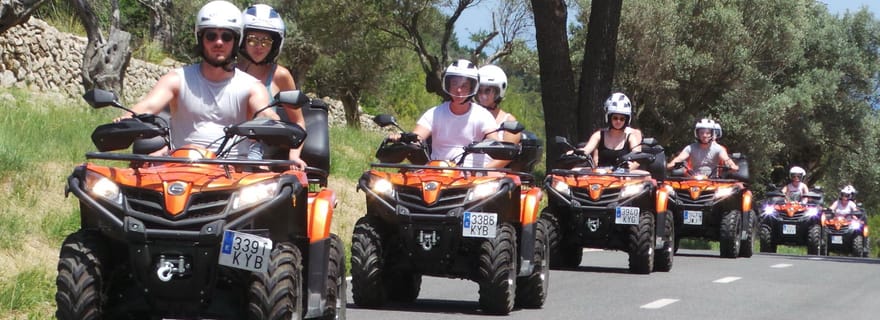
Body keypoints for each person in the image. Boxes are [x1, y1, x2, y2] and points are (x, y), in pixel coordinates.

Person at [117, 1, 289, 163]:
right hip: (180, 168)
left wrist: (274, 123)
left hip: (234, 173)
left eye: (227, 36)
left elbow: (263, 112)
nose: (219, 42)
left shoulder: (252, 87)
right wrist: (125, 119)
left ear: (236, 41)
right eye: (211, 36)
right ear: (201, 38)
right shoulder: (177, 79)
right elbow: (148, 106)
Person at [238, 4, 306, 169]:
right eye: (252, 39)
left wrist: (294, 155)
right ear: (242, 39)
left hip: (261, 152)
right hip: (227, 147)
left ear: (275, 44)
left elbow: (298, 122)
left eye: (266, 41)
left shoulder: (280, 76)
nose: (259, 46)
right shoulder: (230, 72)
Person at [395, 59, 499, 168]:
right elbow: (417, 137)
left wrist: (489, 144)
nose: (458, 90)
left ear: (472, 88)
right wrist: (402, 139)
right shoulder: (434, 113)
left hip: (473, 176)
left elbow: (494, 141)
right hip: (438, 175)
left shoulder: (483, 115)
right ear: (448, 85)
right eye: (454, 83)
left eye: (464, 85)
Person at [579, 92, 643, 169]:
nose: (618, 121)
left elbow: (637, 158)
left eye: (622, 119)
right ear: (609, 117)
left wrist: (630, 167)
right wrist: (574, 153)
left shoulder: (630, 137)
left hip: (624, 178)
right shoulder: (599, 135)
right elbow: (586, 150)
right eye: (615, 118)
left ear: (627, 120)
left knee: (646, 175)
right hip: (601, 177)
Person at [477, 64, 520, 168]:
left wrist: (481, 171)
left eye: (488, 90)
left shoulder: (508, 120)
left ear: (498, 91)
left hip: (491, 176)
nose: (483, 95)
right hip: (461, 171)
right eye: (479, 90)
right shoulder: (467, 114)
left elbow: (506, 156)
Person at [666, 118, 739, 176]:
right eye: (701, 132)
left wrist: (733, 165)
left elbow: (726, 159)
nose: (704, 135)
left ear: (712, 134)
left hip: (713, 182)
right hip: (693, 181)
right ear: (697, 134)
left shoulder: (718, 148)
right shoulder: (690, 148)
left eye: (707, 133)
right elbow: (679, 158)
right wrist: (668, 165)